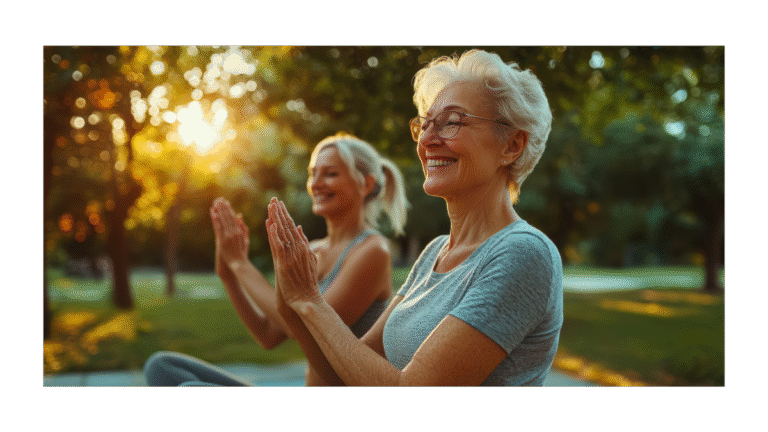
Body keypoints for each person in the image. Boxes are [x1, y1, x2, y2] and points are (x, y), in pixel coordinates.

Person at [266, 49, 563, 386]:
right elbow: (341, 374)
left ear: (511, 145)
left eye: (452, 122)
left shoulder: (523, 253)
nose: (427, 140)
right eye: (425, 124)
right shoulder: (434, 253)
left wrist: (311, 303)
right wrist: (294, 301)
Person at [144, 133, 409, 386]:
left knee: (189, 390)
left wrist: (241, 265)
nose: (316, 183)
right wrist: (229, 276)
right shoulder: (312, 250)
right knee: (163, 368)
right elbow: (268, 335)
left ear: (366, 184)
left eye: (330, 173)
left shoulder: (373, 252)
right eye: (312, 173)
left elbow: (302, 328)